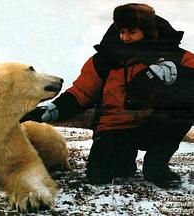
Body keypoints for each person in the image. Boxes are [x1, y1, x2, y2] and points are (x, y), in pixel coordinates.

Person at [20, 3, 194, 188]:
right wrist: (54, 109)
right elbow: (82, 92)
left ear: (147, 31)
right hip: (114, 126)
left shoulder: (175, 56)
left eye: (132, 32)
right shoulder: (104, 59)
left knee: (186, 105)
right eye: (122, 32)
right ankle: (124, 159)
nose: (125, 38)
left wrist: (178, 73)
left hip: (154, 124)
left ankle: (156, 166)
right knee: (99, 176)